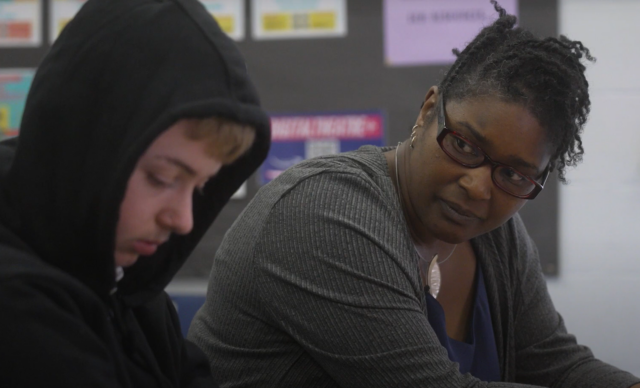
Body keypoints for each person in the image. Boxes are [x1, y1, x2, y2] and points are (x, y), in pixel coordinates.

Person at [188, 2, 640, 387]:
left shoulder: (497, 238)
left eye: (514, 176)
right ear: (428, 112)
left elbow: (556, 363)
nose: (478, 186)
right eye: (464, 146)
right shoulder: (324, 213)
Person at [0, 0, 270, 386]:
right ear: (82, 146)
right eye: (161, 179)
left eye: (201, 187)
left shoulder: (129, 280)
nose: (182, 220)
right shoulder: (16, 305)